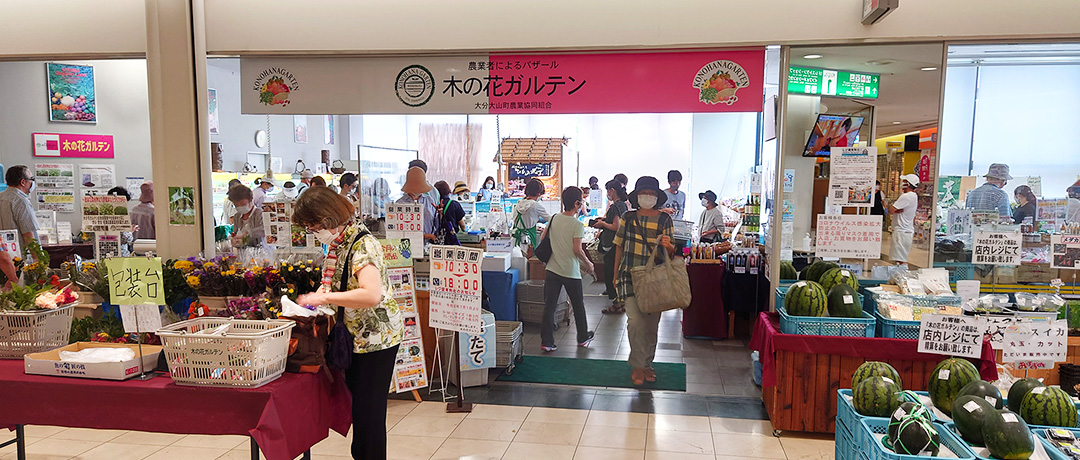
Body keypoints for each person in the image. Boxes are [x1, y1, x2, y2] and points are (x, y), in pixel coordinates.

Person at [292, 187, 402, 460]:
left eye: (312, 225)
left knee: (369, 414)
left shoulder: (362, 244)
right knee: (361, 411)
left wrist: (325, 297)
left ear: (326, 218)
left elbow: (371, 294)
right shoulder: (341, 243)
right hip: (356, 337)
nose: (312, 231)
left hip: (375, 340)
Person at [614, 176, 680, 386]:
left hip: (654, 280)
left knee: (651, 326)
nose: (648, 197)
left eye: (651, 194)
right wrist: (615, 274)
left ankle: (647, 364)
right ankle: (637, 365)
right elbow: (619, 245)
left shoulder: (664, 220)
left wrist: (669, 246)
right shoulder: (627, 217)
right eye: (644, 193)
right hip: (629, 275)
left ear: (657, 196)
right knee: (635, 322)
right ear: (637, 196)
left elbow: (671, 253)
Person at [538, 187, 595, 351]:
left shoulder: (554, 218)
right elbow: (577, 250)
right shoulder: (577, 224)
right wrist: (588, 264)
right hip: (570, 271)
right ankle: (582, 337)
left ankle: (547, 342)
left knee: (550, 306)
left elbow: (543, 238)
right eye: (581, 202)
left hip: (552, 269)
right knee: (578, 305)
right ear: (577, 203)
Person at [592, 179, 628, 314]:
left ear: (612, 190)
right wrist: (603, 220)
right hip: (618, 243)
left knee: (611, 273)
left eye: (607, 190)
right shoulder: (622, 205)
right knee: (616, 272)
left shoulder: (615, 207)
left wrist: (602, 225)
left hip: (613, 243)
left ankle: (616, 303)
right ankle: (620, 302)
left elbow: (616, 226)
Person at [0, 165, 39, 249]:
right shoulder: (21, 201)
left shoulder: (1, 197)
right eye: (31, 179)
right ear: (23, 182)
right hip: (20, 256)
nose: (32, 183)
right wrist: (40, 260)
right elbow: (29, 236)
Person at [396, 167, 438, 242]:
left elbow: (435, 223)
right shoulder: (400, 203)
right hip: (409, 245)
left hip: (429, 245)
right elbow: (398, 230)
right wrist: (424, 236)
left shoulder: (429, 200)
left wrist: (440, 214)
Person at [510, 178, 551, 252]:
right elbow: (550, 219)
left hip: (515, 240)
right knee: (527, 261)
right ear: (539, 193)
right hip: (527, 241)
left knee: (516, 261)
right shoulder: (535, 205)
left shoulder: (519, 203)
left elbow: (522, 220)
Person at [888, 174, 920, 266]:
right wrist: (896, 209)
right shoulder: (913, 196)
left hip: (901, 232)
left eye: (905, 181)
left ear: (908, 184)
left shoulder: (906, 197)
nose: (902, 183)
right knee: (900, 258)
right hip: (906, 231)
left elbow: (890, 210)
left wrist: (895, 209)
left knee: (900, 260)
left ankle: (902, 277)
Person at [433, 181, 465, 245]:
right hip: (451, 240)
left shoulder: (434, 205)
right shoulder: (454, 204)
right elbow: (463, 226)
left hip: (437, 240)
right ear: (448, 191)